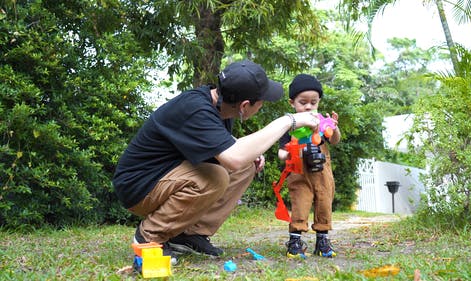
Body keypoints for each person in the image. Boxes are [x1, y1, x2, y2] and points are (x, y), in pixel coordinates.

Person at [113, 60, 320, 265]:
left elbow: (226, 148)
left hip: (163, 177)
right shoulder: (196, 109)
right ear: (244, 105)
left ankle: (188, 235)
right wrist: (289, 121)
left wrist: (249, 152)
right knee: (217, 176)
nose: (263, 104)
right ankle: (149, 235)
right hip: (138, 186)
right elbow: (234, 157)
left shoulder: (219, 107)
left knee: (247, 165)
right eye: (261, 101)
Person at [277, 74, 341, 259]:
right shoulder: (289, 125)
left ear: (318, 101)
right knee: (300, 205)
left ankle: (322, 241)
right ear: (292, 102)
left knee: (324, 203)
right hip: (299, 174)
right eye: (302, 102)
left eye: (313, 102)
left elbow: (335, 141)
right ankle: (295, 242)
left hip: (322, 173)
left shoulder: (321, 123)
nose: (308, 106)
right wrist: (288, 152)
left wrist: (334, 127)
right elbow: (281, 152)